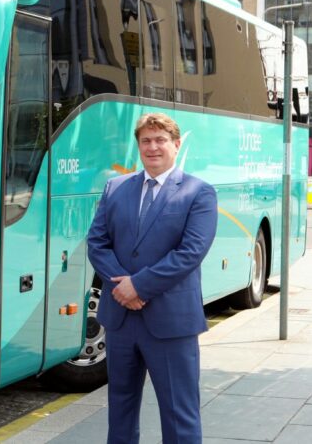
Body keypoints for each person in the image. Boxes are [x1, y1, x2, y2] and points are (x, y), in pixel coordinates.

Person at [87, 112, 218, 444]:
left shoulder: (198, 193)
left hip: (171, 323)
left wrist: (139, 286)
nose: (153, 147)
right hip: (121, 321)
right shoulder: (115, 188)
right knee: (120, 411)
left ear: (176, 144)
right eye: (146, 141)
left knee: (179, 416)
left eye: (160, 140)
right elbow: (96, 242)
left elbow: (190, 253)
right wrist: (123, 286)